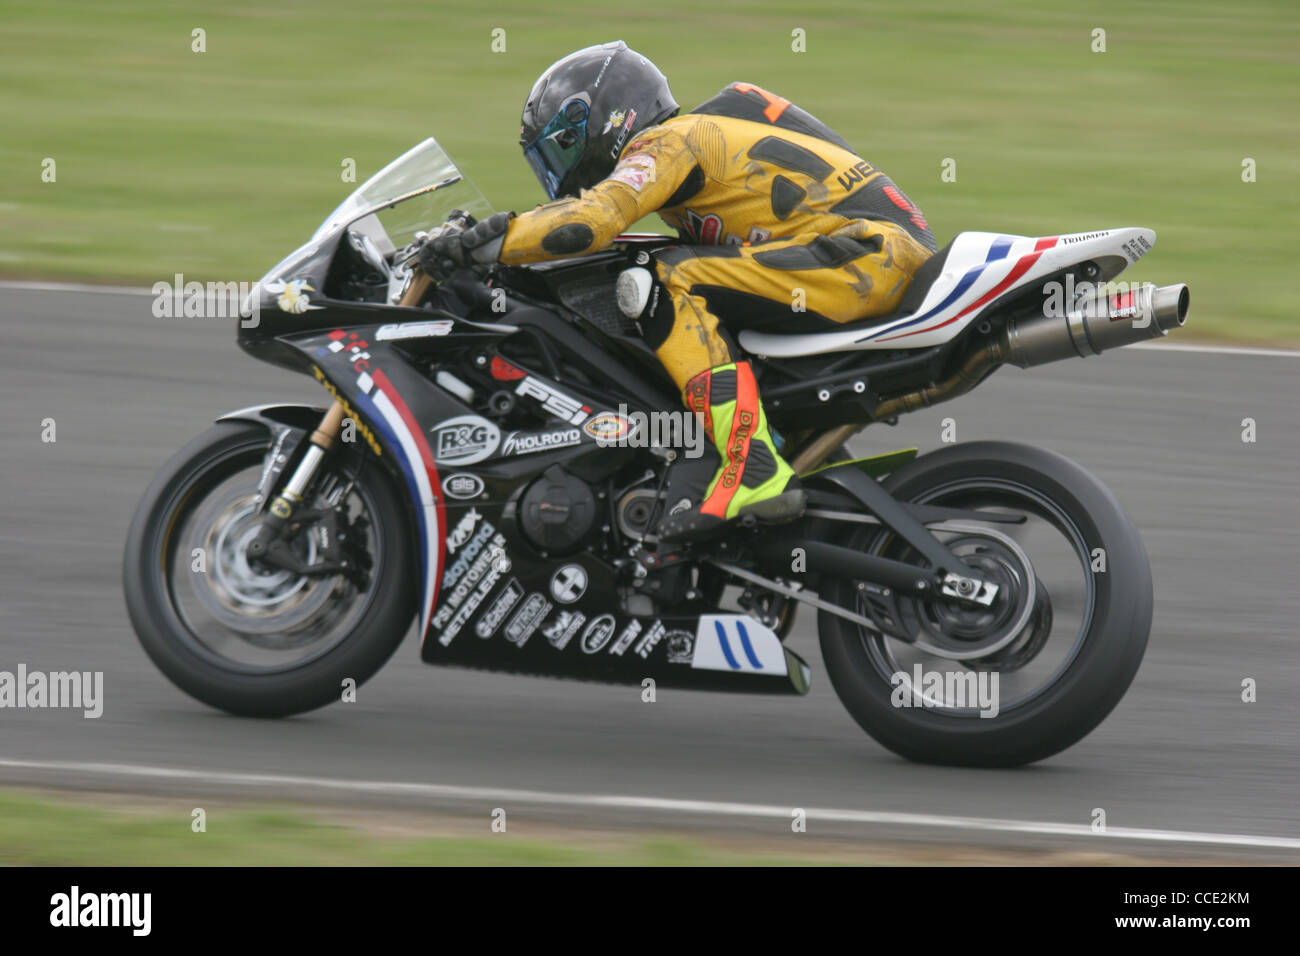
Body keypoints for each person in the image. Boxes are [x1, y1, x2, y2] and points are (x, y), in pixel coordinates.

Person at [421, 40, 936, 541]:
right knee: (676, 275)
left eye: (562, 148)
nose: (559, 172)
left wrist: (484, 244)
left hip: (868, 255)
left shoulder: (670, 142)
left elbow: (591, 221)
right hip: (865, 255)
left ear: (603, 120)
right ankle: (772, 448)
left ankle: (753, 465)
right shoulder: (707, 144)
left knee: (669, 280)